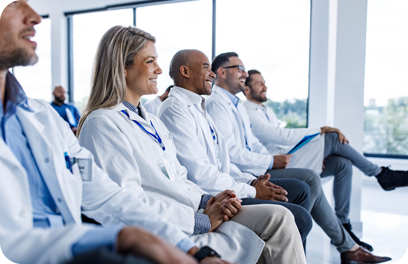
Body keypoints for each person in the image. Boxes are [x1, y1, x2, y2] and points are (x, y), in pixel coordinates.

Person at [0, 1, 229, 263]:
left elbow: (107, 195)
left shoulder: (42, 118)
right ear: (123, 68)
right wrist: (122, 237)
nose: (35, 17)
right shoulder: (101, 122)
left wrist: (193, 251)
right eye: (10, 2)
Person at [77, 25, 307, 264]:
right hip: (171, 226)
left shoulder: (152, 121)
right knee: (280, 223)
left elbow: (180, 178)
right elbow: (127, 202)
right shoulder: (102, 123)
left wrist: (208, 200)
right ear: (123, 68)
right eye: (150, 61)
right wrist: (200, 220)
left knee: (281, 217)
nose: (158, 70)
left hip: (194, 208)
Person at [206, 52, 392, 264]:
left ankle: (340, 243)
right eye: (240, 68)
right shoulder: (218, 105)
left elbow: (254, 144)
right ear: (222, 72)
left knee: (338, 165)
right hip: (249, 171)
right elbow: (231, 153)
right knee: (312, 176)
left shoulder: (236, 105)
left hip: (260, 164)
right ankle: (332, 243)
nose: (244, 73)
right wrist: (270, 162)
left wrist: (273, 158)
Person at [158, 49, 313, 247]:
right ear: (185, 71)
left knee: (300, 190)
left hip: (228, 186)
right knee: (299, 217)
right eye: (206, 67)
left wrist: (251, 180)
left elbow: (223, 162)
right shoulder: (175, 110)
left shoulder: (198, 107)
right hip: (214, 197)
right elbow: (201, 176)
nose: (212, 74)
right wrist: (252, 191)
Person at [243, 69, 408, 250]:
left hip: (284, 157)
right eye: (259, 83)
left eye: (264, 82)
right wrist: (319, 129)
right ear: (247, 90)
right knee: (331, 138)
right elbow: (281, 136)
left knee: (341, 164)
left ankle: (344, 224)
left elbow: (278, 145)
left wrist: (315, 154)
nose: (265, 86)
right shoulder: (249, 112)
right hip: (272, 165)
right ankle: (381, 174)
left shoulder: (265, 111)